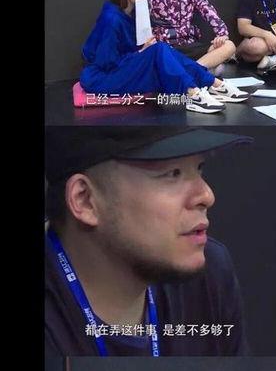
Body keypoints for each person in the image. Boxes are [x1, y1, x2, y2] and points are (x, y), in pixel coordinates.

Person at [45, 124, 253, 357]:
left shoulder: (209, 273)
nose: (207, 196)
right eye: (173, 173)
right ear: (85, 200)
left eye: (199, 168)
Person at [80, 0, 248, 115]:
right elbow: (106, 62)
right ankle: (193, 93)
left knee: (161, 48)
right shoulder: (111, 19)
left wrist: (141, 50)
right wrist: (140, 53)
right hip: (104, 77)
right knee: (158, 50)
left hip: (123, 67)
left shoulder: (134, 11)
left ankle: (212, 83)